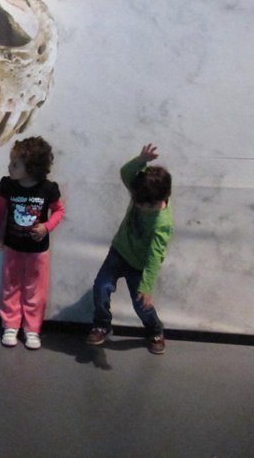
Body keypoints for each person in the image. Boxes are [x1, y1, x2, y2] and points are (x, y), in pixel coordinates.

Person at [87, 143, 173, 354]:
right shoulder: (142, 193)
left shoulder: (162, 223)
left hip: (140, 265)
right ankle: (102, 325)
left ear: (162, 198)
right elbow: (126, 173)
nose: (141, 207)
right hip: (119, 252)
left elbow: (155, 256)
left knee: (141, 304)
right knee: (101, 287)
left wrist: (146, 287)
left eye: (148, 206)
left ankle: (155, 330)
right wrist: (141, 160)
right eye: (138, 203)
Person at [0, 136, 65, 350]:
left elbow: (59, 211)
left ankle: (32, 329)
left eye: (15, 164)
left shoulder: (48, 189)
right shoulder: (8, 186)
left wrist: (46, 227)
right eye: (11, 162)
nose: (9, 167)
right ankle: (10, 325)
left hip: (38, 251)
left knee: (35, 291)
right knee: (10, 286)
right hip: (12, 247)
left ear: (31, 168)